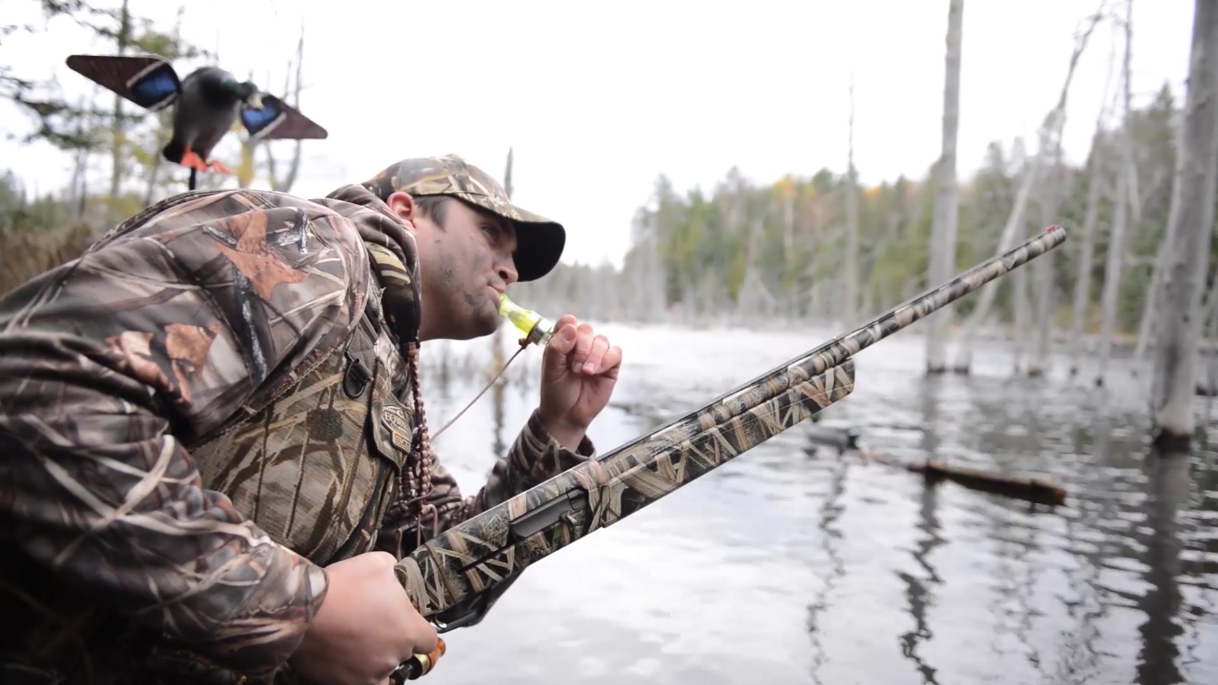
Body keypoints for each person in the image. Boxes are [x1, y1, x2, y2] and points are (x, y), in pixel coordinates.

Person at [0, 154, 623, 685]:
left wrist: (556, 429)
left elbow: (438, 575)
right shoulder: (316, 250)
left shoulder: (389, 363)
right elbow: (40, 394)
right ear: (405, 211)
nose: (510, 268)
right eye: (491, 233)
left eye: (516, 257)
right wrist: (295, 610)